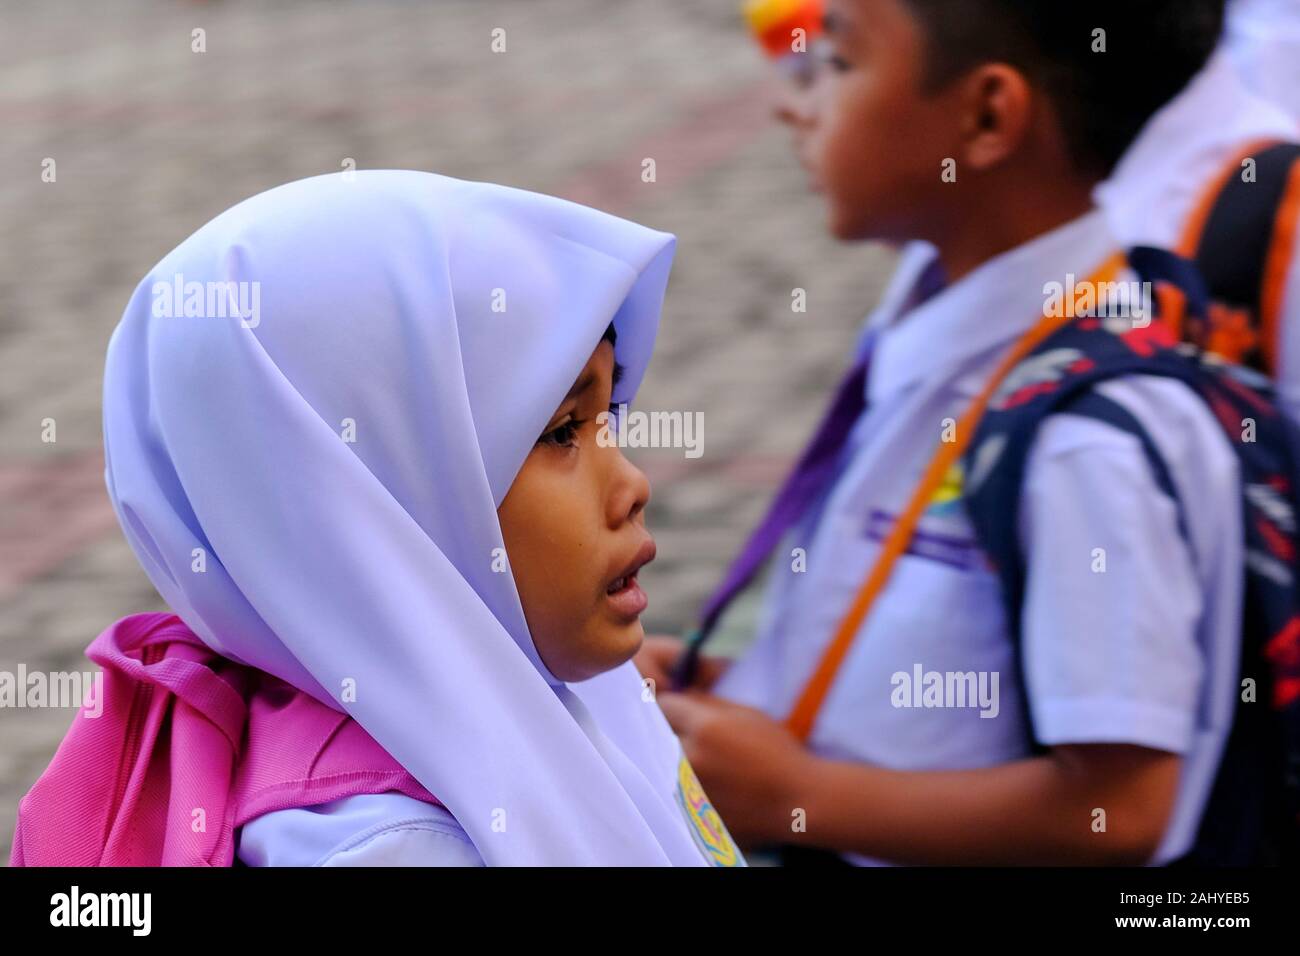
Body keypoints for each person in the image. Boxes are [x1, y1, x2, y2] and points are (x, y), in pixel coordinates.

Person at [640, 0, 1248, 865]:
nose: (791, 100)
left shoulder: (1087, 441)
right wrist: (742, 694)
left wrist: (804, 797)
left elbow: (1124, 805)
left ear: (989, 115)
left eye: (840, 63)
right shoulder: (937, 325)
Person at [10, 171, 742, 868]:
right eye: (559, 432)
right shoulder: (391, 846)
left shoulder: (570, 685)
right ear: (371, 493)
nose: (634, 485)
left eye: (609, 414)